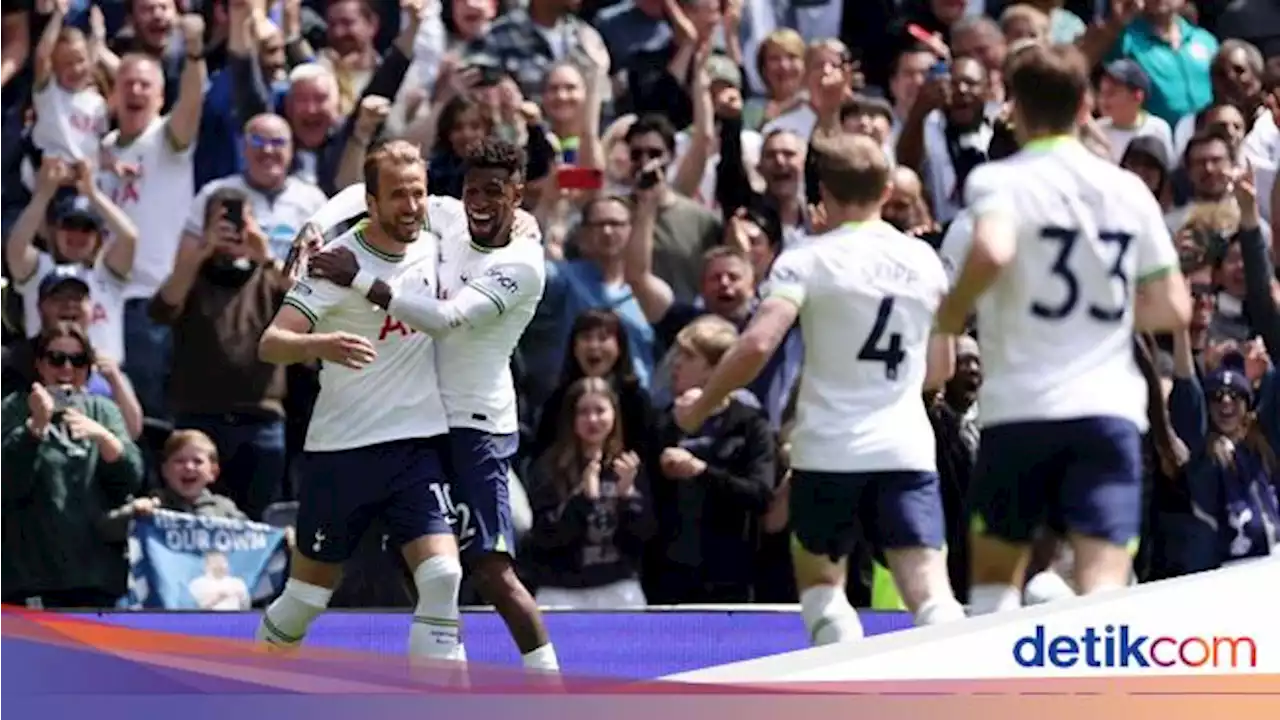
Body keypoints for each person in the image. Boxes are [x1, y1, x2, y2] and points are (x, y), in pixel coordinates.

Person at [675, 131, 965, 644]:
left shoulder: (805, 259)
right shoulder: (925, 261)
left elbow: (758, 343)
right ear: (883, 189)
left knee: (823, 593)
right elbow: (939, 370)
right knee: (931, 595)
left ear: (823, 192)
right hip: (906, 450)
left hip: (828, 453)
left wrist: (703, 407)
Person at [935, 44, 1192, 615]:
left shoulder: (997, 181)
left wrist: (950, 317)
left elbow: (994, 250)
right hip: (1107, 416)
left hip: (1020, 414)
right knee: (1102, 584)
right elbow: (1175, 307)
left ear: (1013, 107)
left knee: (996, 586)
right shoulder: (1128, 191)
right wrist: (1103, 309)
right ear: (1085, 106)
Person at [307, 137, 560, 672]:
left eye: (496, 191)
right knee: (427, 567)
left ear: (519, 195)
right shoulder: (447, 216)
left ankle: (550, 688)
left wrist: (358, 279)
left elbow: (446, 319)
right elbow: (362, 191)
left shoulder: (523, 263)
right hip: (424, 420)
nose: (481, 203)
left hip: (477, 429)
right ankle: (449, 682)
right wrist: (316, 222)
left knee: (491, 571)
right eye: (472, 190)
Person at [255, 140, 465, 665]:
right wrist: (320, 344)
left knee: (443, 576)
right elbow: (271, 342)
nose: (412, 206)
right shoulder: (334, 265)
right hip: (342, 450)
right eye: (397, 196)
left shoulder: (437, 238)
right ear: (370, 203)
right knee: (304, 601)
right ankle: (253, 680)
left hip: (416, 445)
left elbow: (505, 218)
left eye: (418, 193)